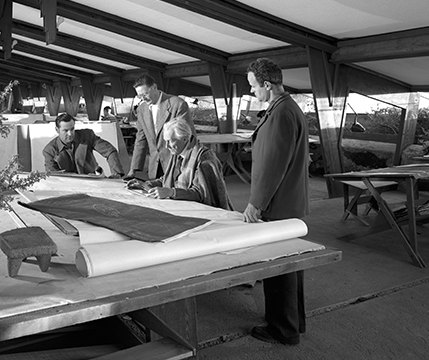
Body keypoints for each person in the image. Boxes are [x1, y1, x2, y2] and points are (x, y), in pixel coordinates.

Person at [243, 58, 309, 346]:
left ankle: (282, 329)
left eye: (253, 87)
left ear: (267, 85)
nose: (252, 92)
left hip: (278, 205)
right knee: (291, 267)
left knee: (279, 269)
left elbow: (273, 165)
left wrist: (256, 203)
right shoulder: (283, 108)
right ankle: (294, 322)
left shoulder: (281, 113)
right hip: (287, 202)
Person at [128, 118, 232, 210]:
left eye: (170, 141)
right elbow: (166, 179)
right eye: (166, 141)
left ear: (185, 139)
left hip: (202, 212)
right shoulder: (177, 153)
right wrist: (146, 184)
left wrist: (171, 192)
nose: (167, 146)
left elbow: (202, 194)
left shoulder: (203, 158)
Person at [125, 74, 194, 180]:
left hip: (176, 164)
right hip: (154, 167)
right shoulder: (141, 109)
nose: (143, 98)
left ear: (154, 87)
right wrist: (134, 168)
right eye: (140, 96)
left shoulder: (178, 104)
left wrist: (187, 165)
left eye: (145, 94)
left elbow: (187, 137)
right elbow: (141, 139)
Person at [42, 113, 124, 178]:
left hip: (93, 180)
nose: (70, 134)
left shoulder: (87, 136)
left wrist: (117, 174)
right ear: (57, 130)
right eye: (65, 130)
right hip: (67, 186)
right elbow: (53, 177)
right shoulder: (49, 151)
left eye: (72, 129)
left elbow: (109, 150)